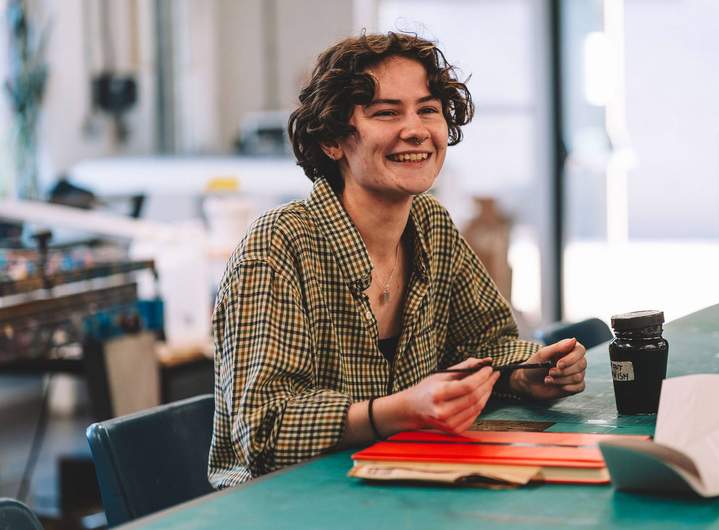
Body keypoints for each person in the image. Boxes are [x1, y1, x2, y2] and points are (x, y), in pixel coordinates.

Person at [208, 32, 587, 488]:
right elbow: (264, 430)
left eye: (428, 110)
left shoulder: (431, 225)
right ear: (332, 140)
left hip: (398, 482)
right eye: (386, 112)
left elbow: (486, 343)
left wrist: (524, 374)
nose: (416, 130)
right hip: (281, 504)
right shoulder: (278, 246)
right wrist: (399, 411)